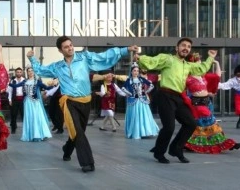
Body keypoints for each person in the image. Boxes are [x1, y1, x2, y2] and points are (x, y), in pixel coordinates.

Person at [27, 35, 138, 173]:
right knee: (78, 132)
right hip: (69, 102)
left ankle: (67, 149)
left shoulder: (84, 57)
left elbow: (103, 56)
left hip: (85, 101)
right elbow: (40, 70)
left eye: (71, 45)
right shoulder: (58, 67)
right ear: (60, 50)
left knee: (78, 132)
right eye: (66, 47)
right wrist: (32, 58)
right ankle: (87, 163)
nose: (70, 48)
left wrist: (124, 50)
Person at [136, 37, 217, 164]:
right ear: (177, 48)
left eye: (188, 47)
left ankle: (176, 149)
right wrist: (140, 58)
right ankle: (159, 153)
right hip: (165, 95)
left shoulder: (188, 65)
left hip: (179, 97)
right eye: (183, 45)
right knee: (169, 127)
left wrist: (211, 57)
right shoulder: (168, 59)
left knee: (190, 123)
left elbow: (202, 69)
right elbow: (152, 61)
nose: (186, 48)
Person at [183, 53, 240, 153]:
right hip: (197, 103)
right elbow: (182, 91)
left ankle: (190, 144)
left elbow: (217, 76)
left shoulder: (203, 76)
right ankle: (225, 143)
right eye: (198, 61)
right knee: (212, 124)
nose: (200, 63)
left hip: (207, 102)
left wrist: (217, 62)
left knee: (202, 125)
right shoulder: (187, 77)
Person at [9, 67, 53, 141]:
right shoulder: (24, 81)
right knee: (29, 118)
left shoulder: (37, 81)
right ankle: (31, 135)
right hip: (28, 102)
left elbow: (46, 88)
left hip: (36, 102)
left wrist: (54, 85)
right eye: (29, 71)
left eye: (32, 71)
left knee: (38, 118)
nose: (30, 72)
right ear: (27, 72)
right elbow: (15, 86)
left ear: (34, 72)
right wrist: (7, 82)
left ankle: (40, 134)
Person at [121, 63, 159, 139]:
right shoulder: (129, 80)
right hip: (133, 101)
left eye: (137, 71)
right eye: (134, 71)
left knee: (144, 116)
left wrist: (146, 92)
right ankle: (137, 132)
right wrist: (130, 93)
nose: (136, 72)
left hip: (142, 100)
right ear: (131, 71)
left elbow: (151, 85)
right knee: (135, 116)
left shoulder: (141, 79)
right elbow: (123, 88)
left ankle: (145, 131)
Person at [218, 64, 240, 128]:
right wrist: (216, 83)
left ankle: (238, 123)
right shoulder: (233, 80)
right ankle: (238, 123)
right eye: (239, 75)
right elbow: (225, 85)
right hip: (239, 97)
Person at [7, 67, 25, 134]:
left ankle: (25, 129)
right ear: (15, 73)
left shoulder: (25, 80)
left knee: (24, 115)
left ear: (22, 73)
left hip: (23, 100)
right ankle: (13, 129)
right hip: (15, 100)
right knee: (13, 115)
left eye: (20, 72)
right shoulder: (12, 81)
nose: (19, 73)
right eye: (17, 72)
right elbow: (10, 91)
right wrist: (10, 100)